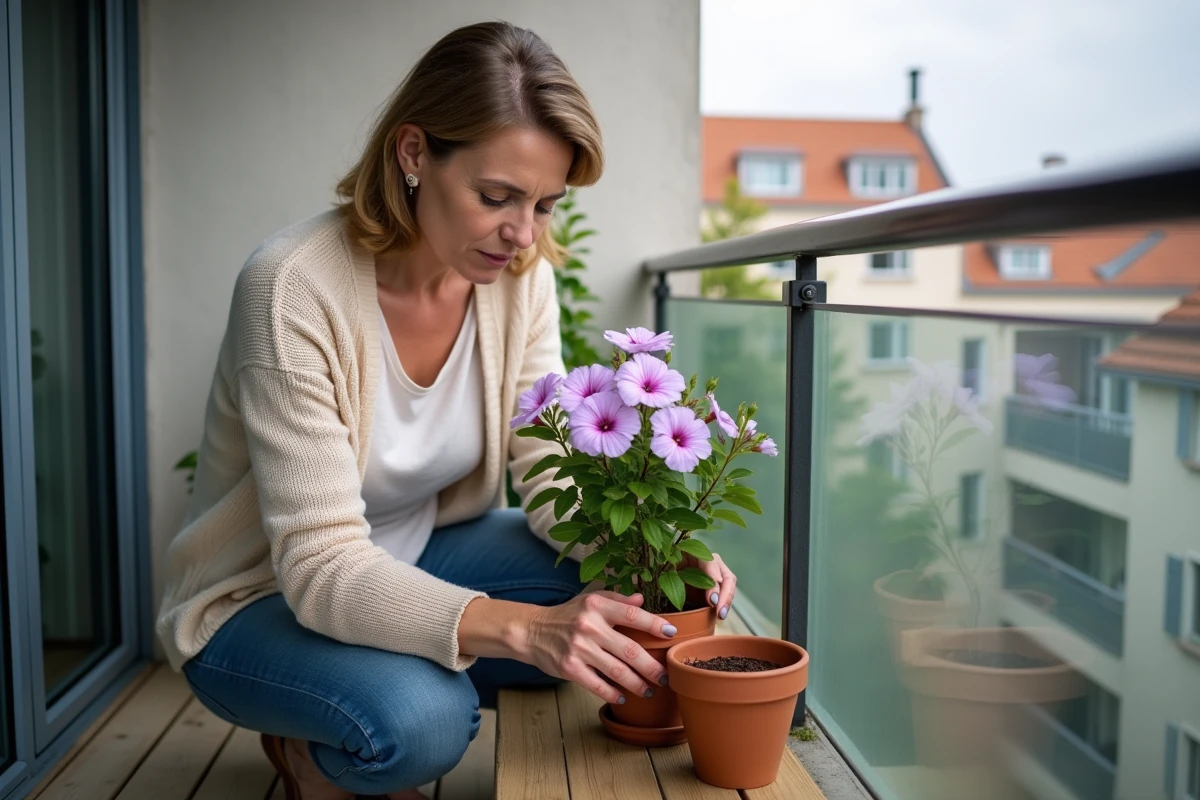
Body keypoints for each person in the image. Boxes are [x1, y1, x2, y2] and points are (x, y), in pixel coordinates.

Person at [155, 21, 738, 800]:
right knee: (427, 721)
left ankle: (398, 666)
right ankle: (306, 752)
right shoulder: (291, 290)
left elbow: (543, 462)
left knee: (616, 588)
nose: (522, 233)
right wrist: (527, 629)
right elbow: (322, 567)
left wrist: (651, 550)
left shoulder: (518, 274)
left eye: (544, 204)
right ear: (414, 154)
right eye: (496, 197)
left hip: (419, 549)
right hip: (261, 601)